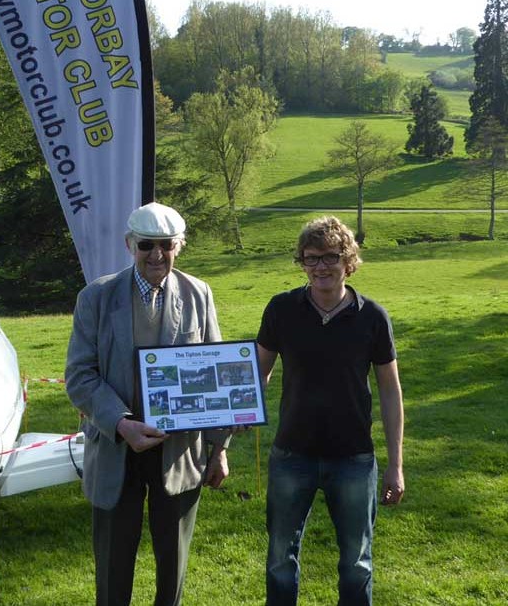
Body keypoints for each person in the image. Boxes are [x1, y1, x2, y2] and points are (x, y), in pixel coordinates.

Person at [65, 201, 231, 606]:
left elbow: (215, 377)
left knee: (172, 566)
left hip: (178, 452)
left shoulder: (199, 293)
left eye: (166, 245)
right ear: (129, 244)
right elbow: (79, 377)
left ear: (180, 246)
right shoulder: (96, 297)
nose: (157, 255)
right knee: (112, 567)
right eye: (146, 245)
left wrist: (219, 448)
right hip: (116, 447)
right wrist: (122, 423)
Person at [256, 216, 404, 606]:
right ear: (301, 262)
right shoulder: (282, 309)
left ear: (348, 261)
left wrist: (395, 465)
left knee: (357, 563)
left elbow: (390, 390)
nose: (321, 266)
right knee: (278, 561)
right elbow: (258, 373)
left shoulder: (372, 316)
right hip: (291, 454)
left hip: (353, 458)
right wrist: (238, 413)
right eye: (311, 258)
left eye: (330, 257)